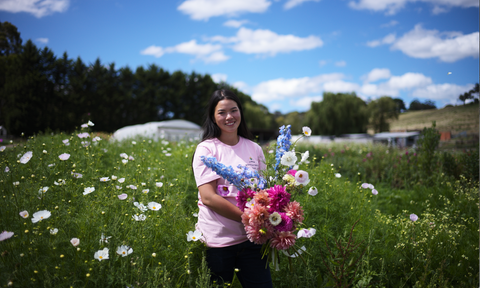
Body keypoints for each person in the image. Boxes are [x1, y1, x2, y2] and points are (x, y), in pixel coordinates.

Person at [192, 89, 273, 287]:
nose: (229, 117)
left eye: (234, 110)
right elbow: (209, 197)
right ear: (213, 116)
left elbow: (264, 192)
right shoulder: (207, 149)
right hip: (218, 242)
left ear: (240, 113)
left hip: (252, 241)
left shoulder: (254, 148)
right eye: (221, 112)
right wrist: (248, 219)